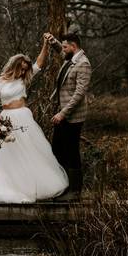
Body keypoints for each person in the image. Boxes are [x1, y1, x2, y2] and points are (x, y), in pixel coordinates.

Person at [0, 35, 68, 203]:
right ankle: (12, 187)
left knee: (31, 151)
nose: (23, 72)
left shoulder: (24, 79)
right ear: (14, 66)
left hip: (24, 117)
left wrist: (45, 44)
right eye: (21, 68)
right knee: (9, 156)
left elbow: (39, 63)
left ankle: (33, 186)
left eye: (25, 69)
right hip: (6, 120)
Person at [43, 32, 91, 199]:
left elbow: (79, 94)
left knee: (71, 152)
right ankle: (62, 187)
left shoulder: (83, 64)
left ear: (74, 46)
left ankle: (75, 192)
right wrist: (53, 42)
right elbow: (61, 52)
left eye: (65, 47)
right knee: (58, 150)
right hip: (62, 114)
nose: (63, 50)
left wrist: (62, 114)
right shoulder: (71, 58)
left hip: (72, 116)